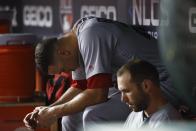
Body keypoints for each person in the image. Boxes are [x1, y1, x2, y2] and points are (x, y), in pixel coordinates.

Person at [23, 16, 179, 131]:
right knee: (70, 119)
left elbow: (98, 94)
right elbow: (81, 86)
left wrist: (54, 112)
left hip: (161, 84)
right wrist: (48, 110)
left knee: (94, 115)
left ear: (63, 52)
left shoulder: (90, 34)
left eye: (63, 69)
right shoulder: (74, 43)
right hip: (133, 84)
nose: (66, 73)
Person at [117, 59, 182, 128]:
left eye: (127, 91)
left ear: (146, 86)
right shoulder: (134, 115)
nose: (123, 99)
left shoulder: (169, 122)